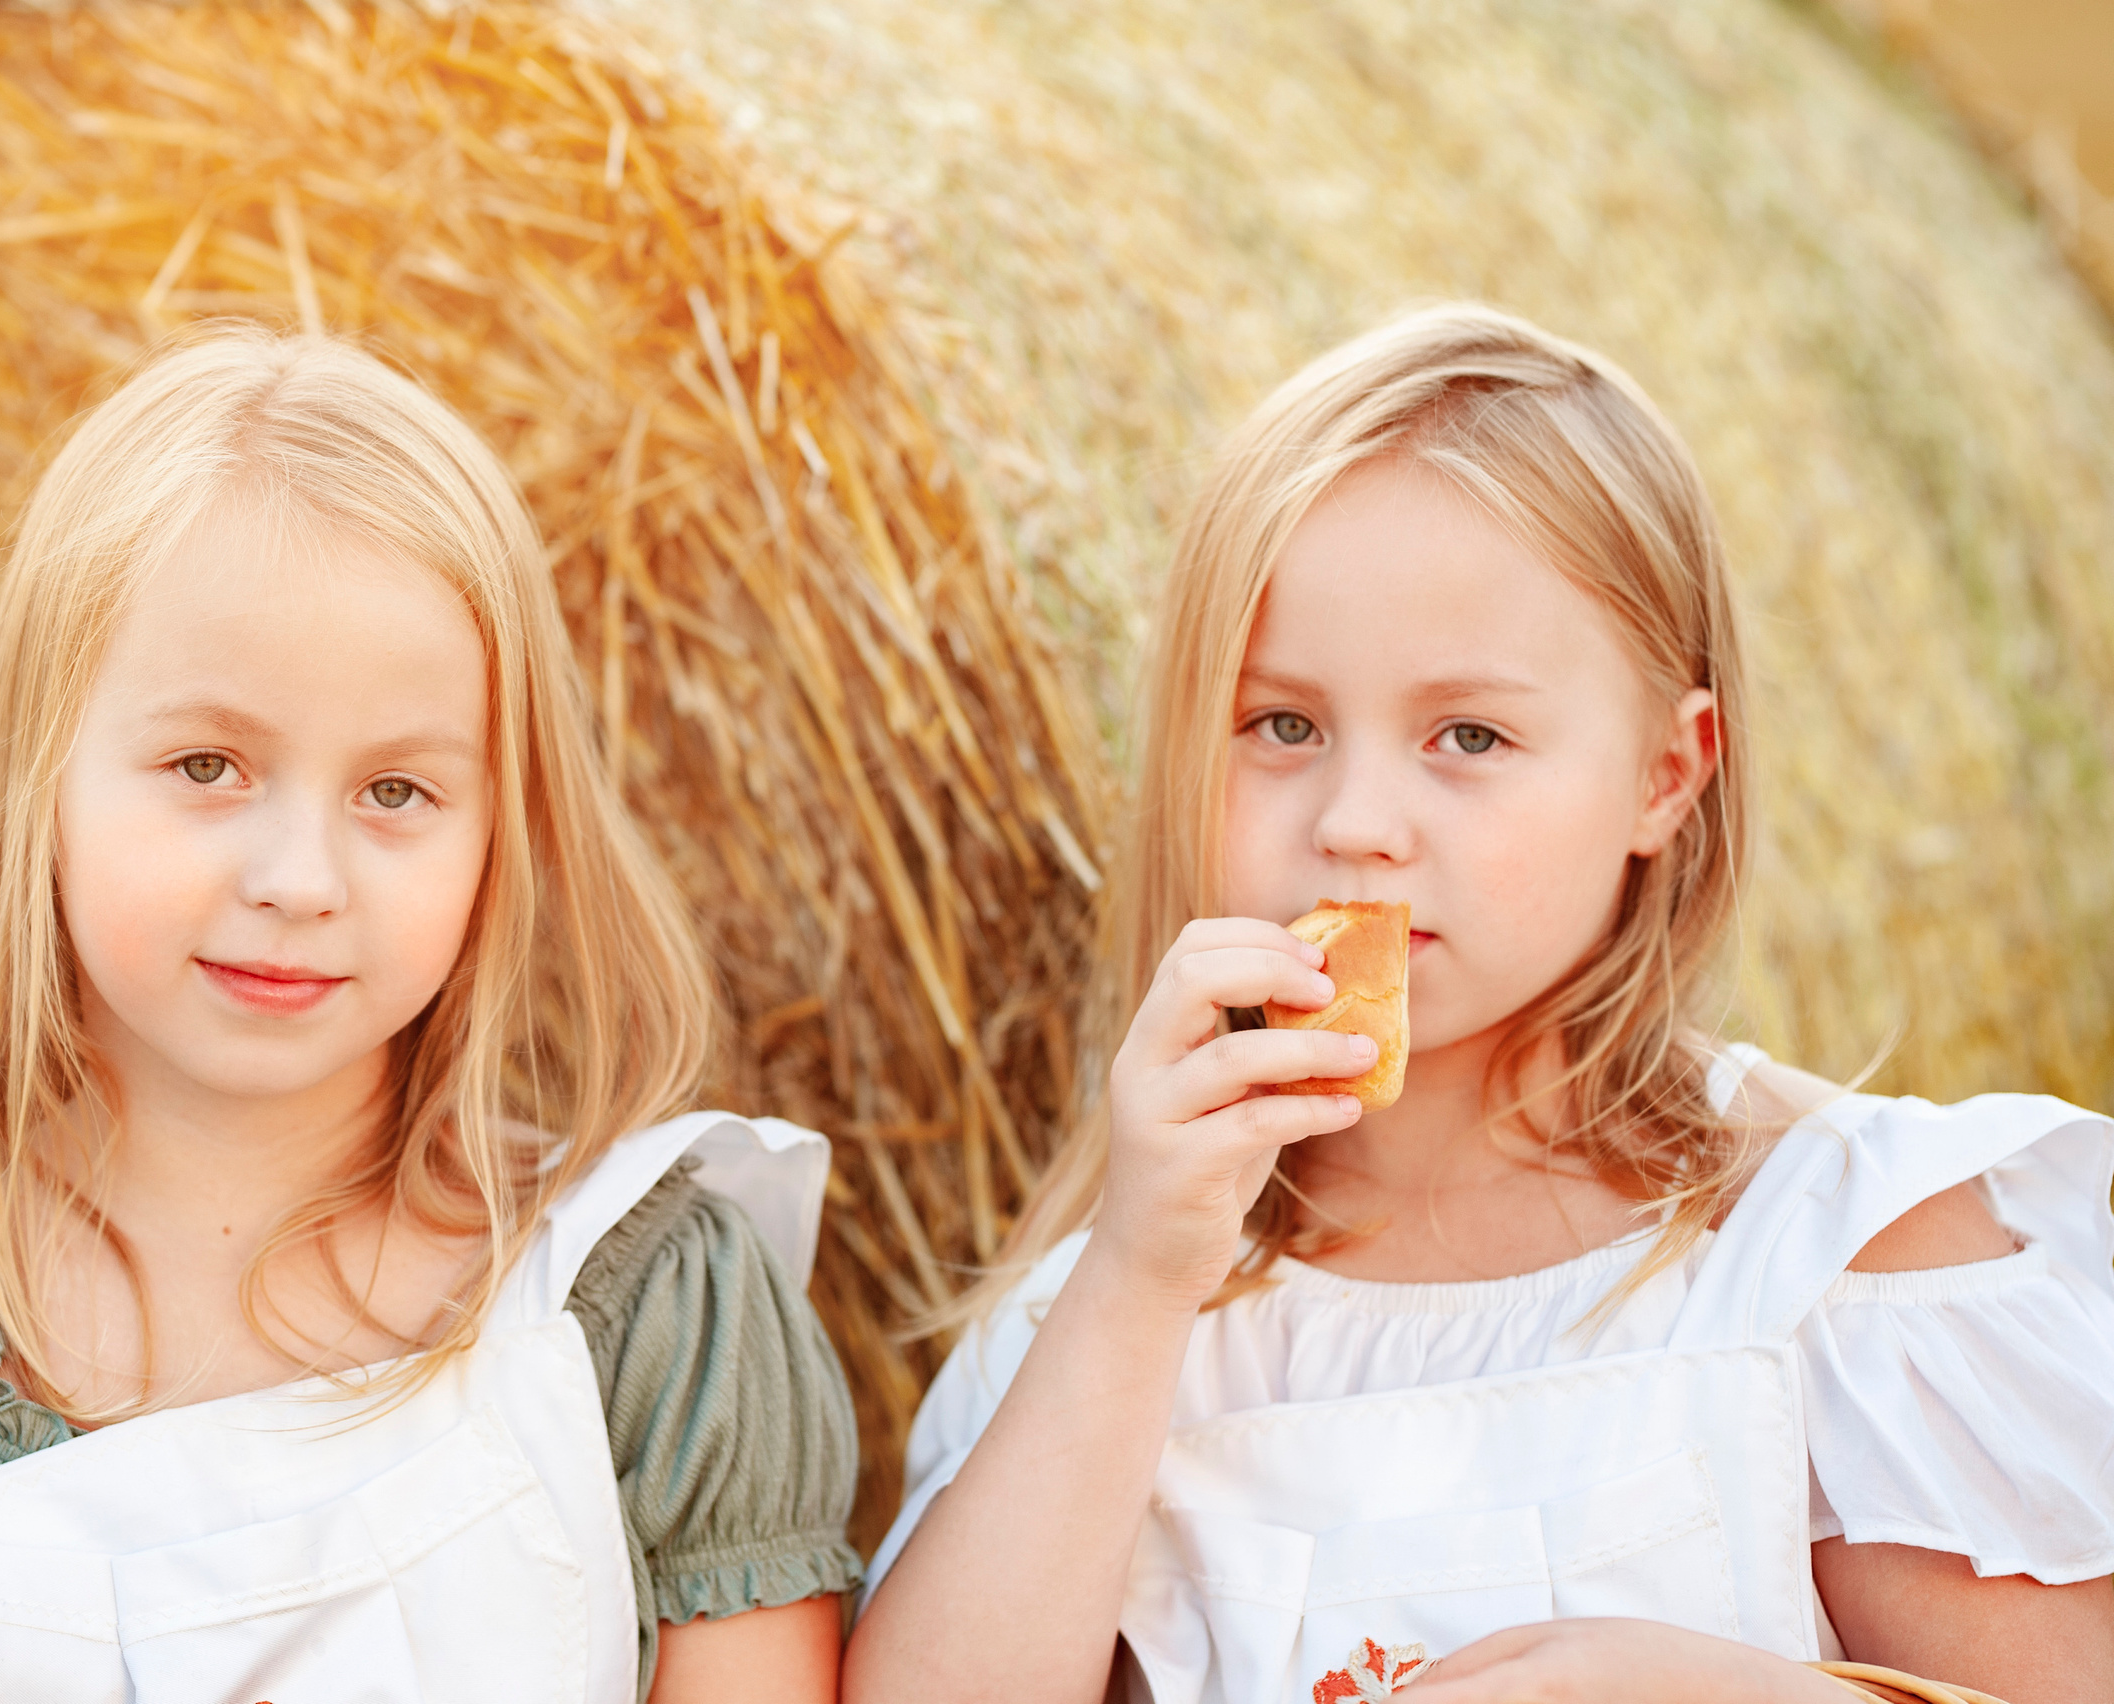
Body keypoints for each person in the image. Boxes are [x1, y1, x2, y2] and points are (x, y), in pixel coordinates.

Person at [843, 303, 2114, 1704]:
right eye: (1282, 726)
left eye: (1470, 737)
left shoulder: (1844, 1258)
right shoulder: (1120, 1319)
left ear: (1663, 776)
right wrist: (1139, 1275)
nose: (1360, 822)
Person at [0, 326, 859, 1704]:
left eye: (396, 792)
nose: (299, 881)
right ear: (37, 782)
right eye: (208, 764)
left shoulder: (654, 1312)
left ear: (503, 834)